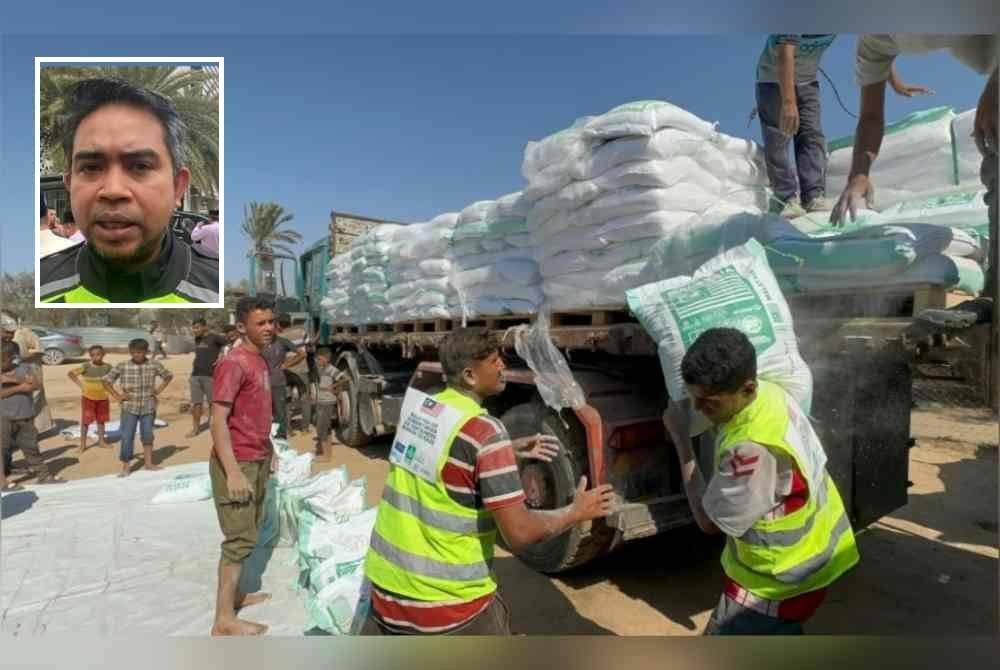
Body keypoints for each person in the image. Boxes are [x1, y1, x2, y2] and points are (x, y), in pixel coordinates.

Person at [361, 327, 616, 635]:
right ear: (470, 375)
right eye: (494, 361)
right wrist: (576, 512)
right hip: (447, 607)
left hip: (386, 593)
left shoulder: (422, 411)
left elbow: (441, 464)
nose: (502, 367)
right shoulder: (484, 433)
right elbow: (519, 533)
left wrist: (508, 451)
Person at [661, 327, 859, 635]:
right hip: (817, 555)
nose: (698, 409)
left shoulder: (752, 449)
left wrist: (682, 443)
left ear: (747, 389)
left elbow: (708, 522)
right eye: (694, 398)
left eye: (709, 402)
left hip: (776, 580)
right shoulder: (771, 393)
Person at [832, 35, 998, 326]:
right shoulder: (874, 38)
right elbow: (870, 116)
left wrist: (996, 86)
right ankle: (995, 295)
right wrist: (859, 174)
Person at [39, 77, 219, 303]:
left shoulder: (214, 288)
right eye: (91, 167)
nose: (113, 191)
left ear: (178, 188)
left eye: (140, 166)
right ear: (70, 186)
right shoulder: (42, 285)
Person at [209, 296, 276, 636]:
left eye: (271, 322)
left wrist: (271, 448)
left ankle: (236, 596)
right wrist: (233, 471)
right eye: (260, 323)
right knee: (238, 538)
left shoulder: (259, 360)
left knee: (250, 531)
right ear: (241, 327)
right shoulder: (234, 363)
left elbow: (255, 413)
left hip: (258, 457)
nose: (269, 328)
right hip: (238, 463)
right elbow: (218, 421)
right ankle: (223, 619)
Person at [103, 339, 173, 478]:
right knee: (127, 436)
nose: (136, 355)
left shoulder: (154, 365)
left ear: (146, 352)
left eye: (139, 352)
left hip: (148, 406)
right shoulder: (123, 366)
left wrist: (158, 390)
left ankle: (148, 463)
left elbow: (168, 376)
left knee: (147, 435)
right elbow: (106, 381)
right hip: (129, 407)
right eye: (133, 352)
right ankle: (126, 466)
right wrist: (117, 396)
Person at [1, 341, 66, 488]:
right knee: (1, 449)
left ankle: (44, 476)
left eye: (2, 359)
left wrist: (12, 380)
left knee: (31, 448)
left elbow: (36, 385)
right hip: (3, 418)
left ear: (12, 357)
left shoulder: (25, 368)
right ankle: (2, 483)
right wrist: (21, 387)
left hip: (25, 417)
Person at [261, 314, 305, 440]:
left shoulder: (282, 342)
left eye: (272, 327)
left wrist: (286, 365)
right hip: (260, 383)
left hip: (278, 382)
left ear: (276, 328)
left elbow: (301, 354)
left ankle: (281, 438)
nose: (269, 330)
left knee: (280, 412)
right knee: (263, 411)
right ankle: (265, 437)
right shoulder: (259, 342)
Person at [68, 345, 113, 452]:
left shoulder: (108, 367)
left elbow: (113, 377)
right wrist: (81, 385)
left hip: (103, 398)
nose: (96, 357)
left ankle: (101, 441)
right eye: (93, 355)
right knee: (86, 421)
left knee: (101, 421)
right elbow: (71, 374)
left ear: (103, 354)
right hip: (88, 398)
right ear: (90, 356)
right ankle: (83, 445)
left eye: (98, 354)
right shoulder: (86, 366)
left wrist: (110, 387)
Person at [188, 318, 228, 438]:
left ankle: (214, 425)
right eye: (194, 328)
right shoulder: (197, 339)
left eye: (197, 327)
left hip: (210, 376)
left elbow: (227, 343)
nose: (195, 330)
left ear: (205, 327)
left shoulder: (215, 337)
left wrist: (222, 355)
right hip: (195, 375)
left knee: (212, 403)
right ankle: (195, 428)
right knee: (196, 403)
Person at [312, 347, 349, 461]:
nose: (317, 361)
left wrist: (333, 388)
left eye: (319, 359)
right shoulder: (321, 368)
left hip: (327, 402)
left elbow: (345, 378)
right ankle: (326, 453)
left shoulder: (330, 369)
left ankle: (326, 456)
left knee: (322, 428)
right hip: (322, 401)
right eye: (316, 359)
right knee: (325, 428)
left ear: (326, 359)